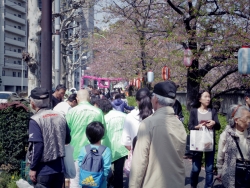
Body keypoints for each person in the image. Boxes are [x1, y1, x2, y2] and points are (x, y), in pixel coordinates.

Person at [129, 81, 187, 188]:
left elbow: (140, 162)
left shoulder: (148, 123)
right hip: (177, 182)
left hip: (154, 183)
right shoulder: (179, 124)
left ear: (155, 99)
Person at [27, 87, 71, 188]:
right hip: (59, 168)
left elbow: (37, 146)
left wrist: (33, 168)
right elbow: (68, 139)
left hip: (43, 170)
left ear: (33, 103)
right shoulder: (60, 116)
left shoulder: (35, 120)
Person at [66, 89, 106, 188]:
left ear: (77, 98)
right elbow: (104, 134)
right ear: (89, 98)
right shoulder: (98, 111)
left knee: (75, 182)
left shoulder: (71, 112)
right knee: (92, 182)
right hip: (94, 153)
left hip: (75, 152)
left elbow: (66, 133)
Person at [188, 90, 221, 188]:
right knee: (195, 169)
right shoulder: (194, 111)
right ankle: (193, 185)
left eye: (209, 97)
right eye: (206, 96)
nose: (208, 99)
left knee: (209, 169)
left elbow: (218, 126)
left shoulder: (213, 111)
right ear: (200, 99)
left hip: (209, 142)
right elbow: (189, 126)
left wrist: (214, 123)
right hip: (197, 142)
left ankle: (208, 186)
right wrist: (197, 126)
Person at [216, 105, 250, 187]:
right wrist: (219, 170)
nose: (249, 121)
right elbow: (220, 155)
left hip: (248, 170)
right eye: (247, 118)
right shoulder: (226, 135)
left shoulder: (249, 132)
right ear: (236, 120)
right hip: (232, 171)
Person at [98, 99, 128, 188]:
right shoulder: (124, 116)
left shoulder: (104, 118)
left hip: (107, 147)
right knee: (119, 171)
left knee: (105, 170)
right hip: (121, 148)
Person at [78, 122, 112, 188]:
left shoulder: (84, 149)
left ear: (87, 135)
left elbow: (80, 164)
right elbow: (106, 169)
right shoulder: (106, 150)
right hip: (100, 184)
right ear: (102, 135)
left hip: (85, 182)